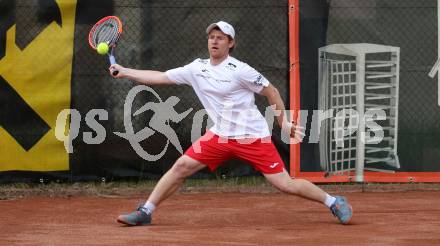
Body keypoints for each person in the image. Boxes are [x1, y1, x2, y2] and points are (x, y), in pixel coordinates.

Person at [110, 21, 353, 226]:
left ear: (231, 43)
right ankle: (146, 212)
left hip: (252, 137)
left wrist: (284, 123)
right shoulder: (197, 68)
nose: (214, 41)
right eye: (212, 37)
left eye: (221, 38)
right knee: (181, 166)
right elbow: (160, 77)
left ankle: (333, 202)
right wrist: (125, 71)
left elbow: (272, 92)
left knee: (285, 184)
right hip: (220, 136)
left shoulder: (241, 70)